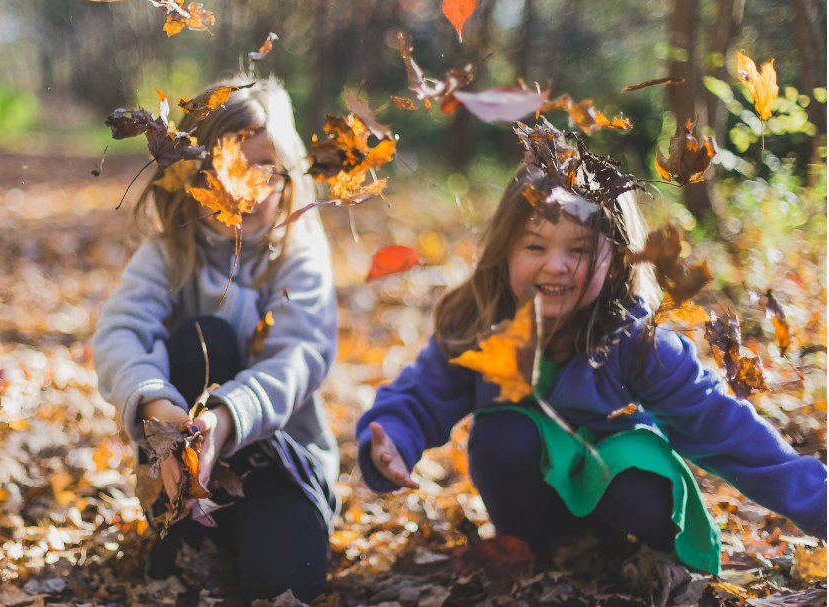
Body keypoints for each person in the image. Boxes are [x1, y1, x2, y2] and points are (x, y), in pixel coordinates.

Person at [356, 128, 827, 575]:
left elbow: (723, 426)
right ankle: (531, 550)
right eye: (535, 245)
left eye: (579, 250)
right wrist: (394, 437)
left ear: (618, 257)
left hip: (619, 487)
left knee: (638, 485)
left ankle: (627, 554)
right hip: (531, 493)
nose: (555, 265)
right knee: (504, 434)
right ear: (506, 249)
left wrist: (819, 504)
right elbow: (423, 393)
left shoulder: (637, 340)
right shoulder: (482, 321)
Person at [93, 76, 337, 602]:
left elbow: (299, 356)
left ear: (287, 174)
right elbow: (120, 331)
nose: (243, 188)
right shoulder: (169, 253)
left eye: (262, 169)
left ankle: (264, 534)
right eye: (224, 166)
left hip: (279, 466)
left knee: (286, 585)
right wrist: (157, 403)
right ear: (190, 174)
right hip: (181, 471)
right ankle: (181, 528)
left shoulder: (298, 254)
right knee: (204, 337)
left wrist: (225, 420)